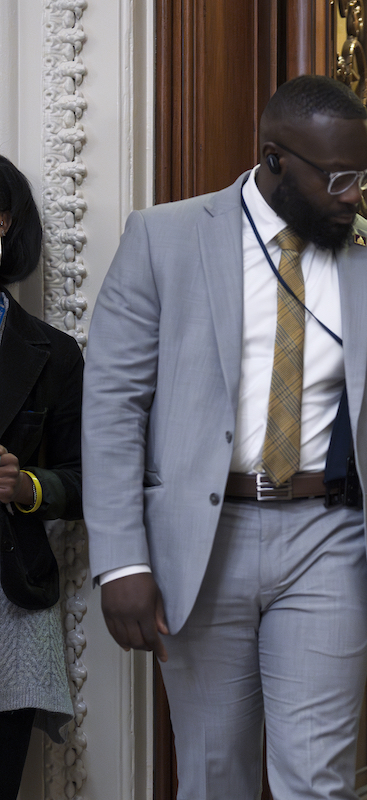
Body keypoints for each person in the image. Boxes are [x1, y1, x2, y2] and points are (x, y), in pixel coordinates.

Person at [82, 75, 367, 798]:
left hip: (332, 540)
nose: (355, 196)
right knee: (214, 774)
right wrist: (120, 560)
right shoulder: (164, 238)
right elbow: (112, 405)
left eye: (366, 174)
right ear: (275, 161)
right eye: (339, 178)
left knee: (318, 782)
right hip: (201, 543)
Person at [0, 154, 82, 799]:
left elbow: (87, 480)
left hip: (9, 605)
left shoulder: (51, 352)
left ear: (3, 222)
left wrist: (26, 486)